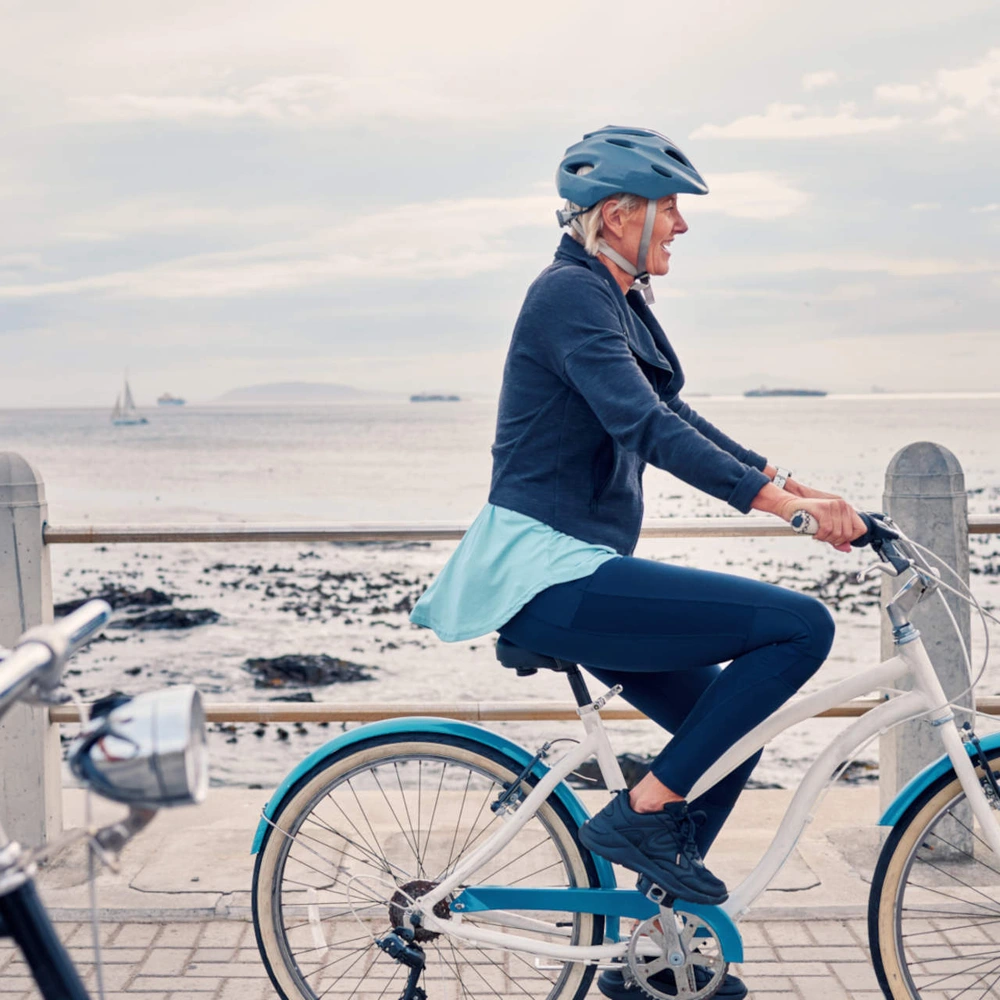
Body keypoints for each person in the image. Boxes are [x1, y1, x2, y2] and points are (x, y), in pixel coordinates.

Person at [410, 125, 866, 1000]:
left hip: (578, 572)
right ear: (617, 215)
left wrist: (805, 489)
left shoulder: (614, 297)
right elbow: (644, 429)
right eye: (671, 210)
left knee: (728, 742)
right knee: (801, 628)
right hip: (548, 577)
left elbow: (679, 418)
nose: (681, 228)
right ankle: (643, 821)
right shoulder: (566, 296)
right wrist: (787, 511)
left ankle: (652, 955)